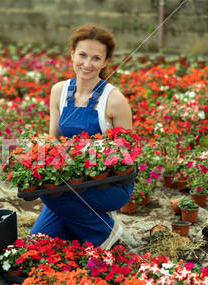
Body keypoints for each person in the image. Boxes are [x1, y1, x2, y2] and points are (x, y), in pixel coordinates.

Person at [29, 24, 134, 250]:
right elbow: (53, 140)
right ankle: (83, 221)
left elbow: (124, 156)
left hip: (108, 185)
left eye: (96, 58)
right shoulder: (59, 91)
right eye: (82, 55)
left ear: (105, 62)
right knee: (38, 242)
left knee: (50, 190)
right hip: (70, 183)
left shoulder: (114, 100)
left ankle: (105, 232)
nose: (87, 64)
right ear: (72, 55)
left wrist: (81, 162)